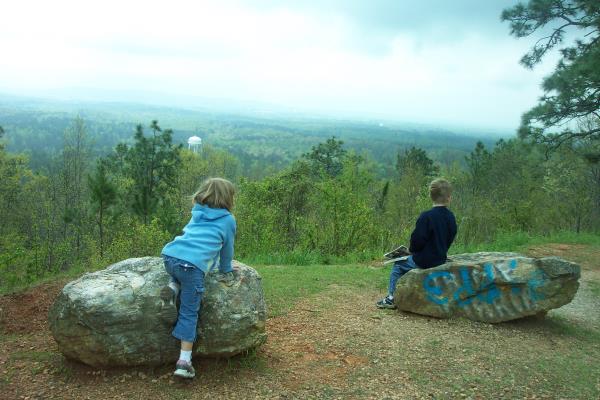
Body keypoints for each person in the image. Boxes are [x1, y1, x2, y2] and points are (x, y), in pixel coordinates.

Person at [161, 177, 237, 378]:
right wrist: (226, 269)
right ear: (228, 198)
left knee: (181, 275)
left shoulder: (197, 211)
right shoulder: (227, 219)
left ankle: (173, 287)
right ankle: (184, 362)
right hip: (192, 267)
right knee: (189, 313)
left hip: (170, 257)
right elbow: (227, 249)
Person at [377, 178, 457, 309]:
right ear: (449, 198)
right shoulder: (450, 217)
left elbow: (417, 240)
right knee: (405, 262)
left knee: (398, 265)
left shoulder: (427, 216)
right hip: (440, 258)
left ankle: (391, 298)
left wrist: (412, 250)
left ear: (431, 196)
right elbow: (451, 235)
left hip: (423, 260)